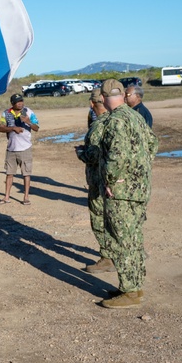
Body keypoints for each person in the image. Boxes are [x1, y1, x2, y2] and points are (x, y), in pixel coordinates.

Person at [96, 79, 158, 308]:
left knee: (121, 240)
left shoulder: (116, 120)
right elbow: (153, 144)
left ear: (103, 98)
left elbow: (117, 154)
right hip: (139, 189)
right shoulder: (136, 116)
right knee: (133, 238)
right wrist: (140, 171)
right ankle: (132, 286)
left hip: (122, 193)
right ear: (122, 95)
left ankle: (131, 291)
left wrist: (112, 180)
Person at [76, 92, 113, 272]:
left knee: (99, 219)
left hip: (99, 181)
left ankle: (107, 258)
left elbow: (92, 156)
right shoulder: (117, 120)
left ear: (92, 104)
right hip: (113, 182)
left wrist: (81, 152)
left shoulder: (98, 125)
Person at [0, 94, 39, 205]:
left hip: (25, 148)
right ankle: (6, 197)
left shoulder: (29, 112)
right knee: (9, 173)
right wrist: (12, 128)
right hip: (11, 148)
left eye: (21, 101)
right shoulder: (6, 113)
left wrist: (28, 122)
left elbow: (37, 128)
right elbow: (0, 128)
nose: (20, 103)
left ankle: (26, 197)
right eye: (17, 102)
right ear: (12, 103)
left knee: (26, 174)